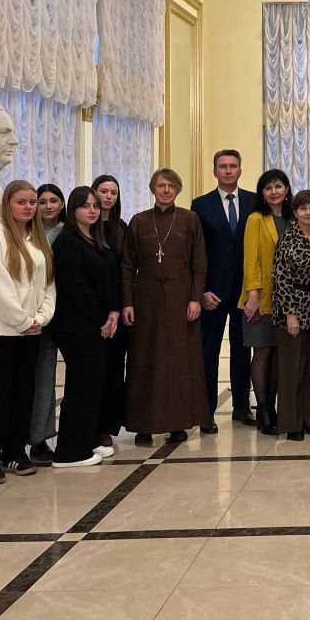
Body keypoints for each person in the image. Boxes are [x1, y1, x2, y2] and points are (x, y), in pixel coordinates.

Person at [0, 180, 56, 485]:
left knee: (23, 396)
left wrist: (40, 318)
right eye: (22, 202)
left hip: (30, 331)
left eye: (32, 202)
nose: (29, 207)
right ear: (8, 204)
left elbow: (48, 285)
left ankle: (14, 451)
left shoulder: (38, 241)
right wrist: (22, 320)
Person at [121, 168, 211, 444]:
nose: (166, 190)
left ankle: (177, 423)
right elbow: (127, 266)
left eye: (171, 185)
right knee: (145, 360)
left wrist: (195, 298)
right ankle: (143, 424)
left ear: (178, 190)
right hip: (145, 300)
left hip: (180, 300)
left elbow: (200, 265)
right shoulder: (139, 221)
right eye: (161, 185)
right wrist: (127, 302)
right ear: (153, 189)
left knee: (179, 361)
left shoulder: (189, 219)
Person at [49, 187, 120, 467]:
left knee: (93, 386)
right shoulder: (67, 242)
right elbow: (77, 289)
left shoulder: (95, 238)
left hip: (96, 323)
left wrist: (112, 311)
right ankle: (69, 452)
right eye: (85, 206)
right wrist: (101, 319)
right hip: (77, 326)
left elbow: (109, 280)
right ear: (73, 210)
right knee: (81, 387)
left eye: (95, 206)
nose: (92, 211)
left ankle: (87, 441)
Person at [190, 150, 257, 433]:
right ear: (214, 171)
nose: (228, 171)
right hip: (213, 294)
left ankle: (241, 407)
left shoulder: (255, 201)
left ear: (240, 170)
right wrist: (202, 290)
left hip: (244, 291)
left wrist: (255, 290)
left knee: (243, 351)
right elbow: (196, 251)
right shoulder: (200, 204)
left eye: (233, 166)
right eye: (222, 166)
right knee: (209, 352)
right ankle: (206, 412)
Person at [271, 190, 310, 442]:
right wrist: (290, 314)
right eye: (303, 208)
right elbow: (281, 279)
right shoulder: (288, 238)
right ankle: (292, 422)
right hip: (293, 310)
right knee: (292, 369)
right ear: (295, 212)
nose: (308, 212)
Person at [239, 169, 291, 436]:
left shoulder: (293, 218)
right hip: (260, 298)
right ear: (262, 193)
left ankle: (273, 406)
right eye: (268, 188)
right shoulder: (256, 219)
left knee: (279, 354)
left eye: (278, 186)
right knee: (262, 352)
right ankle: (263, 411)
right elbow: (251, 259)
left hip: (287, 300)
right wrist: (253, 295)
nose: (274, 192)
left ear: (286, 189)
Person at [29, 184, 66, 465]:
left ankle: (49, 436)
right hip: (33, 313)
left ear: (63, 204)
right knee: (38, 378)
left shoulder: (70, 232)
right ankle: (34, 439)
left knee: (49, 377)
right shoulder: (25, 233)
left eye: (54, 201)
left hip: (66, 312)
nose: (48, 206)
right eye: (42, 202)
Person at [92, 175, 128, 448]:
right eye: (103, 191)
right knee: (95, 371)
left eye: (113, 193)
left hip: (119, 306)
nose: (108, 197)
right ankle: (91, 425)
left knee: (115, 369)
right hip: (94, 309)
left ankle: (107, 426)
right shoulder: (86, 227)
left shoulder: (121, 227)